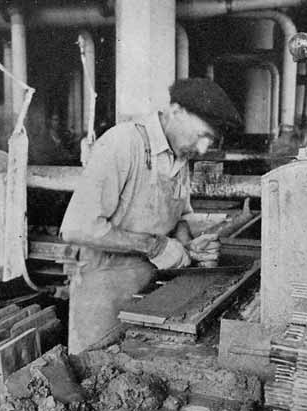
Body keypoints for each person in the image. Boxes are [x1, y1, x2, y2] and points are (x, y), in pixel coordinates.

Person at [60, 78, 242, 353]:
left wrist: (188, 246)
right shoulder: (123, 143)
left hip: (152, 294)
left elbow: (178, 216)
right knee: (96, 369)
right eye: (202, 135)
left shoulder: (180, 158)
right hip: (103, 292)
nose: (204, 149)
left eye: (211, 141)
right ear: (176, 111)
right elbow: (78, 228)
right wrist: (155, 246)